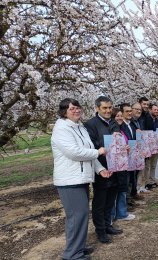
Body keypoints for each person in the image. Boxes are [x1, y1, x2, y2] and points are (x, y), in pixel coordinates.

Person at [52, 98, 110, 260]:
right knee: (77, 216)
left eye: (78, 108)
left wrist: (100, 169)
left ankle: (79, 247)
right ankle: (72, 254)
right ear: (64, 111)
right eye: (72, 109)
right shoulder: (62, 129)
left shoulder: (80, 127)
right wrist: (99, 152)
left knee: (82, 214)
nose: (76, 111)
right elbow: (74, 152)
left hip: (81, 178)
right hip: (69, 180)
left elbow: (88, 151)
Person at [84, 96, 123, 244]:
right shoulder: (90, 125)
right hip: (100, 168)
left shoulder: (113, 122)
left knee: (111, 199)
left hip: (116, 166)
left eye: (110, 108)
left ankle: (108, 225)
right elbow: (91, 147)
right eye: (104, 108)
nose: (108, 110)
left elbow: (118, 141)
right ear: (97, 109)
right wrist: (107, 143)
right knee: (100, 201)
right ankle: (100, 230)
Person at [112, 105, 136, 221]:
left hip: (123, 163)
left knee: (122, 188)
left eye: (121, 116)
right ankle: (113, 215)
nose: (120, 118)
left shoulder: (121, 130)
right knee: (115, 191)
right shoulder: (112, 131)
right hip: (115, 165)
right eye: (117, 116)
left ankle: (122, 212)